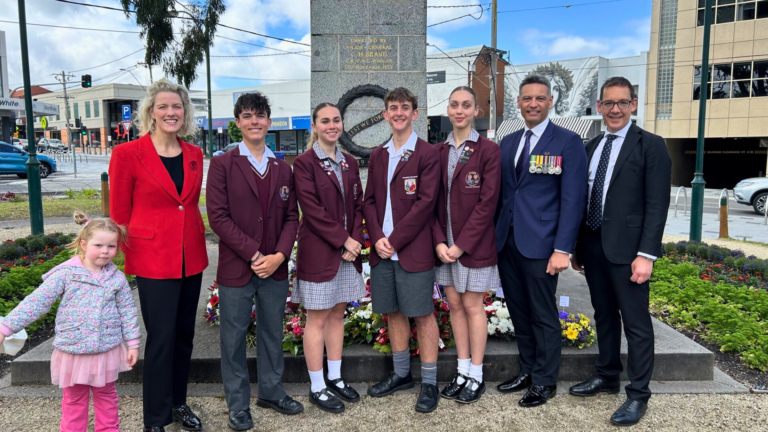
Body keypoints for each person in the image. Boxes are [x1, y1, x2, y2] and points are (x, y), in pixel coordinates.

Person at [570, 77, 671, 426]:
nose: (615, 109)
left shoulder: (651, 145)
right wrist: (577, 247)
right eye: (609, 103)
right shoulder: (592, 145)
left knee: (637, 324)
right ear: (599, 106)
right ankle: (608, 375)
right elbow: (584, 199)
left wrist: (647, 254)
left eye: (622, 103)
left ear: (633, 104)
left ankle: (638, 394)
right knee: (604, 315)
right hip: (594, 245)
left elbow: (657, 204)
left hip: (630, 252)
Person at [109, 78, 208, 432]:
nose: (171, 112)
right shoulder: (127, 154)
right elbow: (119, 214)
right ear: (150, 112)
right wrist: (113, 258)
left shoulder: (194, 154)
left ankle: (178, 403)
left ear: (185, 113)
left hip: (190, 256)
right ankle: (155, 418)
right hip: (152, 258)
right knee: (162, 337)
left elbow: (188, 204)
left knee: (184, 336)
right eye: (163, 106)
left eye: (177, 107)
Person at [206, 92, 303, 431]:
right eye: (247, 116)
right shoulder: (223, 164)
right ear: (237, 123)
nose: (254, 121)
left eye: (260, 115)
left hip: (274, 268)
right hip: (238, 267)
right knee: (232, 339)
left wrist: (278, 256)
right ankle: (237, 404)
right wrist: (254, 254)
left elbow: (292, 216)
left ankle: (272, 393)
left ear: (269, 121)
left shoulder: (281, 167)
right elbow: (217, 217)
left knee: (272, 333)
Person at [494, 74, 588, 407]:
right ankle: (528, 370)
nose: (532, 104)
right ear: (518, 103)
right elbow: (505, 194)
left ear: (550, 102)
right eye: (526, 98)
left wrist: (563, 248)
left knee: (543, 314)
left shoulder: (567, 141)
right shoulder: (508, 142)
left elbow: (574, 199)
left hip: (543, 245)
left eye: (539, 98)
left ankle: (546, 381)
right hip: (507, 242)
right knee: (519, 311)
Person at [0, 211, 140, 432]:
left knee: (107, 397)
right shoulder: (66, 274)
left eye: (111, 247)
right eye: (99, 245)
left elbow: (127, 311)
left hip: (106, 350)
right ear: (83, 244)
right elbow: (38, 301)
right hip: (73, 350)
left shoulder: (117, 278)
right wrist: (6, 328)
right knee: (74, 400)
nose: (105, 251)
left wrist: (132, 343)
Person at [362, 87, 442, 413]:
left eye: (404, 107)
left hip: (412, 251)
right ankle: (401, 375)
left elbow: (425, 205)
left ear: (414, 113)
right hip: (382, 252)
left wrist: (394, 240)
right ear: (385, 114)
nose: (398, 112)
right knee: (393, 312)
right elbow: (368, 202)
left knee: (422, 314)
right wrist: (378, 236)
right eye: (392, 107)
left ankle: (430, 383)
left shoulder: (427, 153)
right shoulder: (379, 155)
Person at [292, 103, 367, 413]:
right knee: (318, 318)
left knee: (338, 314)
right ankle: (317, 385)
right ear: (315, 126)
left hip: (347, 254)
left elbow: (359, 204)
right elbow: (313, 211)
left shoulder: (349, 162)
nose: (332, 125)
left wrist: (357, 241)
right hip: (320, 253)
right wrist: (345, 240)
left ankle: (335, 378)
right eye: (325, 121)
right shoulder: (304, 163)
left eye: (336, 120)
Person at [432, 86, 501, 404]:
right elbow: (429, 205)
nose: (459, 110)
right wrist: (439, 243)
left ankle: (477, 374)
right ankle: (461, 371)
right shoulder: (438, 152)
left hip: (472, 248)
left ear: (476, 111)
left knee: (473, 307)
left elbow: (488, 205)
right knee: (455, 307)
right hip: (444, 249)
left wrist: (459, 245)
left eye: (466, 105)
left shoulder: (488, 150)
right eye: (454, 105)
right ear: (448, 110)